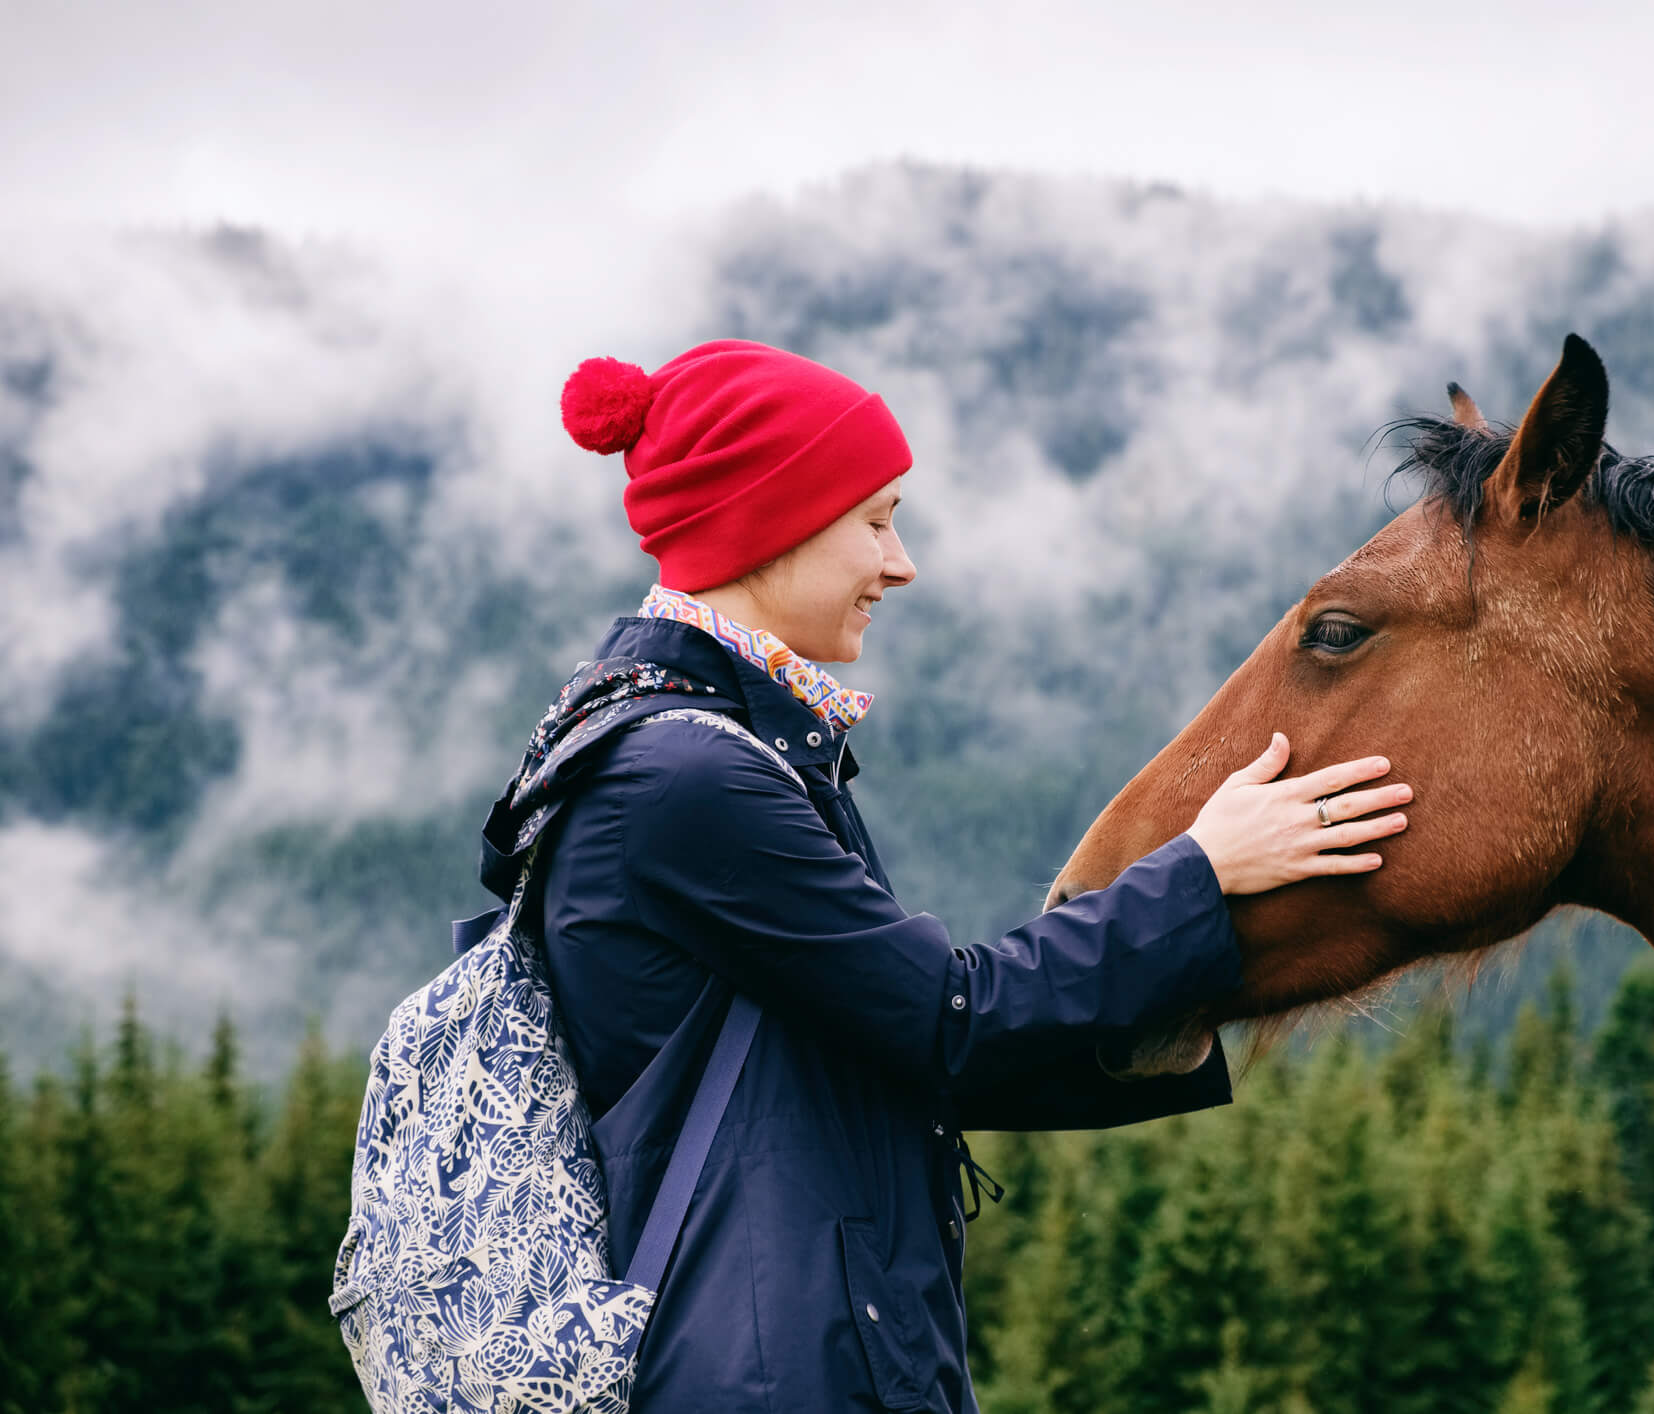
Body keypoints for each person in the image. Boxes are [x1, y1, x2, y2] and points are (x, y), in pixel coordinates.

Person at [537, 339, 1410, 1411]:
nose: (901, 563)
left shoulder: (710, 751)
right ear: (768, 521)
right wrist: (1202, 873)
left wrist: (1204, 992)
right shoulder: (688, 776)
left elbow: (908, 1050)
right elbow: (951, 1017)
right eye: (875, 518)